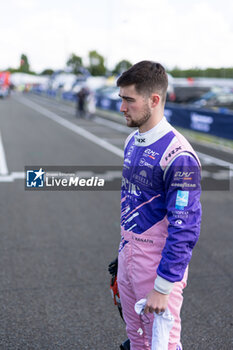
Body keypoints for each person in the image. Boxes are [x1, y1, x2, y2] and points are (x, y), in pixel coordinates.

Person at [116, 61, 202, 350]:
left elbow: (185, 228)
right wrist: (125, 257)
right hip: (129, 257)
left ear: (154, 100)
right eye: (121, 99)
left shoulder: (179, 154)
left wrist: (163, 287)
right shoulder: (132, 140)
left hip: (157, 270)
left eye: (129, 100)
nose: (122, 107)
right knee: (137, 340)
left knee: (161, 345)